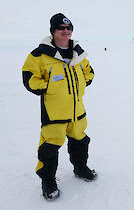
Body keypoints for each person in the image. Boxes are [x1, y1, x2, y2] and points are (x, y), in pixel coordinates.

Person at [22, 13, 97, 201]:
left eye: (68, 28)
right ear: (53, 31)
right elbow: (29, 78)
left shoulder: (78, 53)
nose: (66, 31)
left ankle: (80, 169)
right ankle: (48, 181)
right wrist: (50, 87)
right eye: (61, 28)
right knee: (49, 148)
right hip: (54, 113)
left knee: (80, 142)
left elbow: (89, 72)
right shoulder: (39, 55)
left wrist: (81, 84)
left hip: (77, 112)